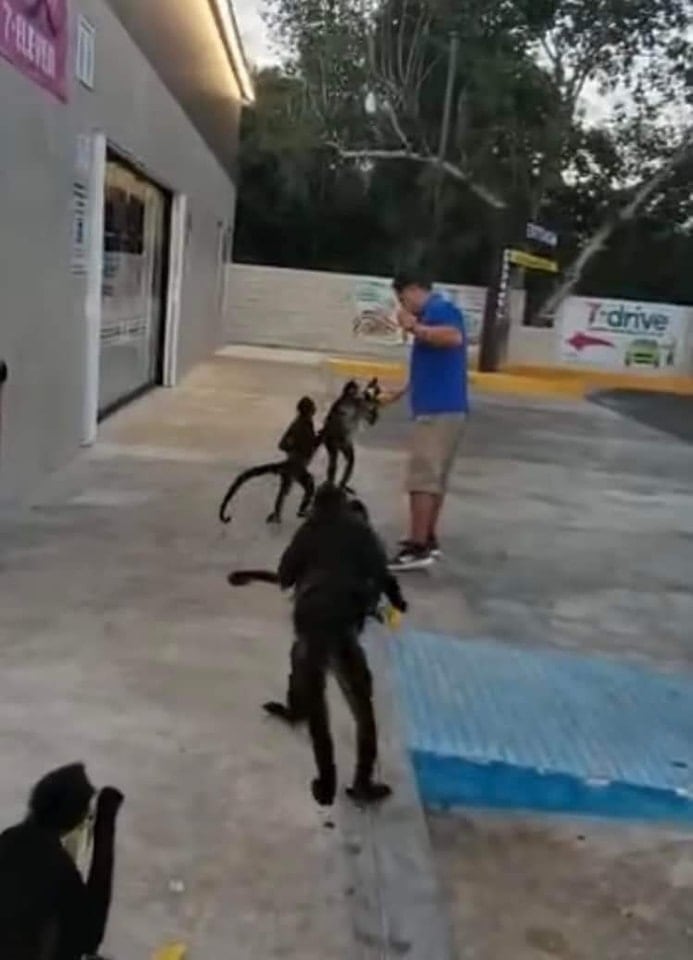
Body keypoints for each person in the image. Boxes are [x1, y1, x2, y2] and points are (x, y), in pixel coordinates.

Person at [386, 273, 468, 571]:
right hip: (445, 408)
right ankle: (428, 539)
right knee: (433, 481)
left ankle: (417, 546)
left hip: (438, 411)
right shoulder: (437, 312)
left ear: (413, 290)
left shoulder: (439, 310)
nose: (403, 305)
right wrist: (403, 391)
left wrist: (415, 327)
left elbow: (454, 338)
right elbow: (434, 364)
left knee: (421, 479)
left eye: (402, 298)